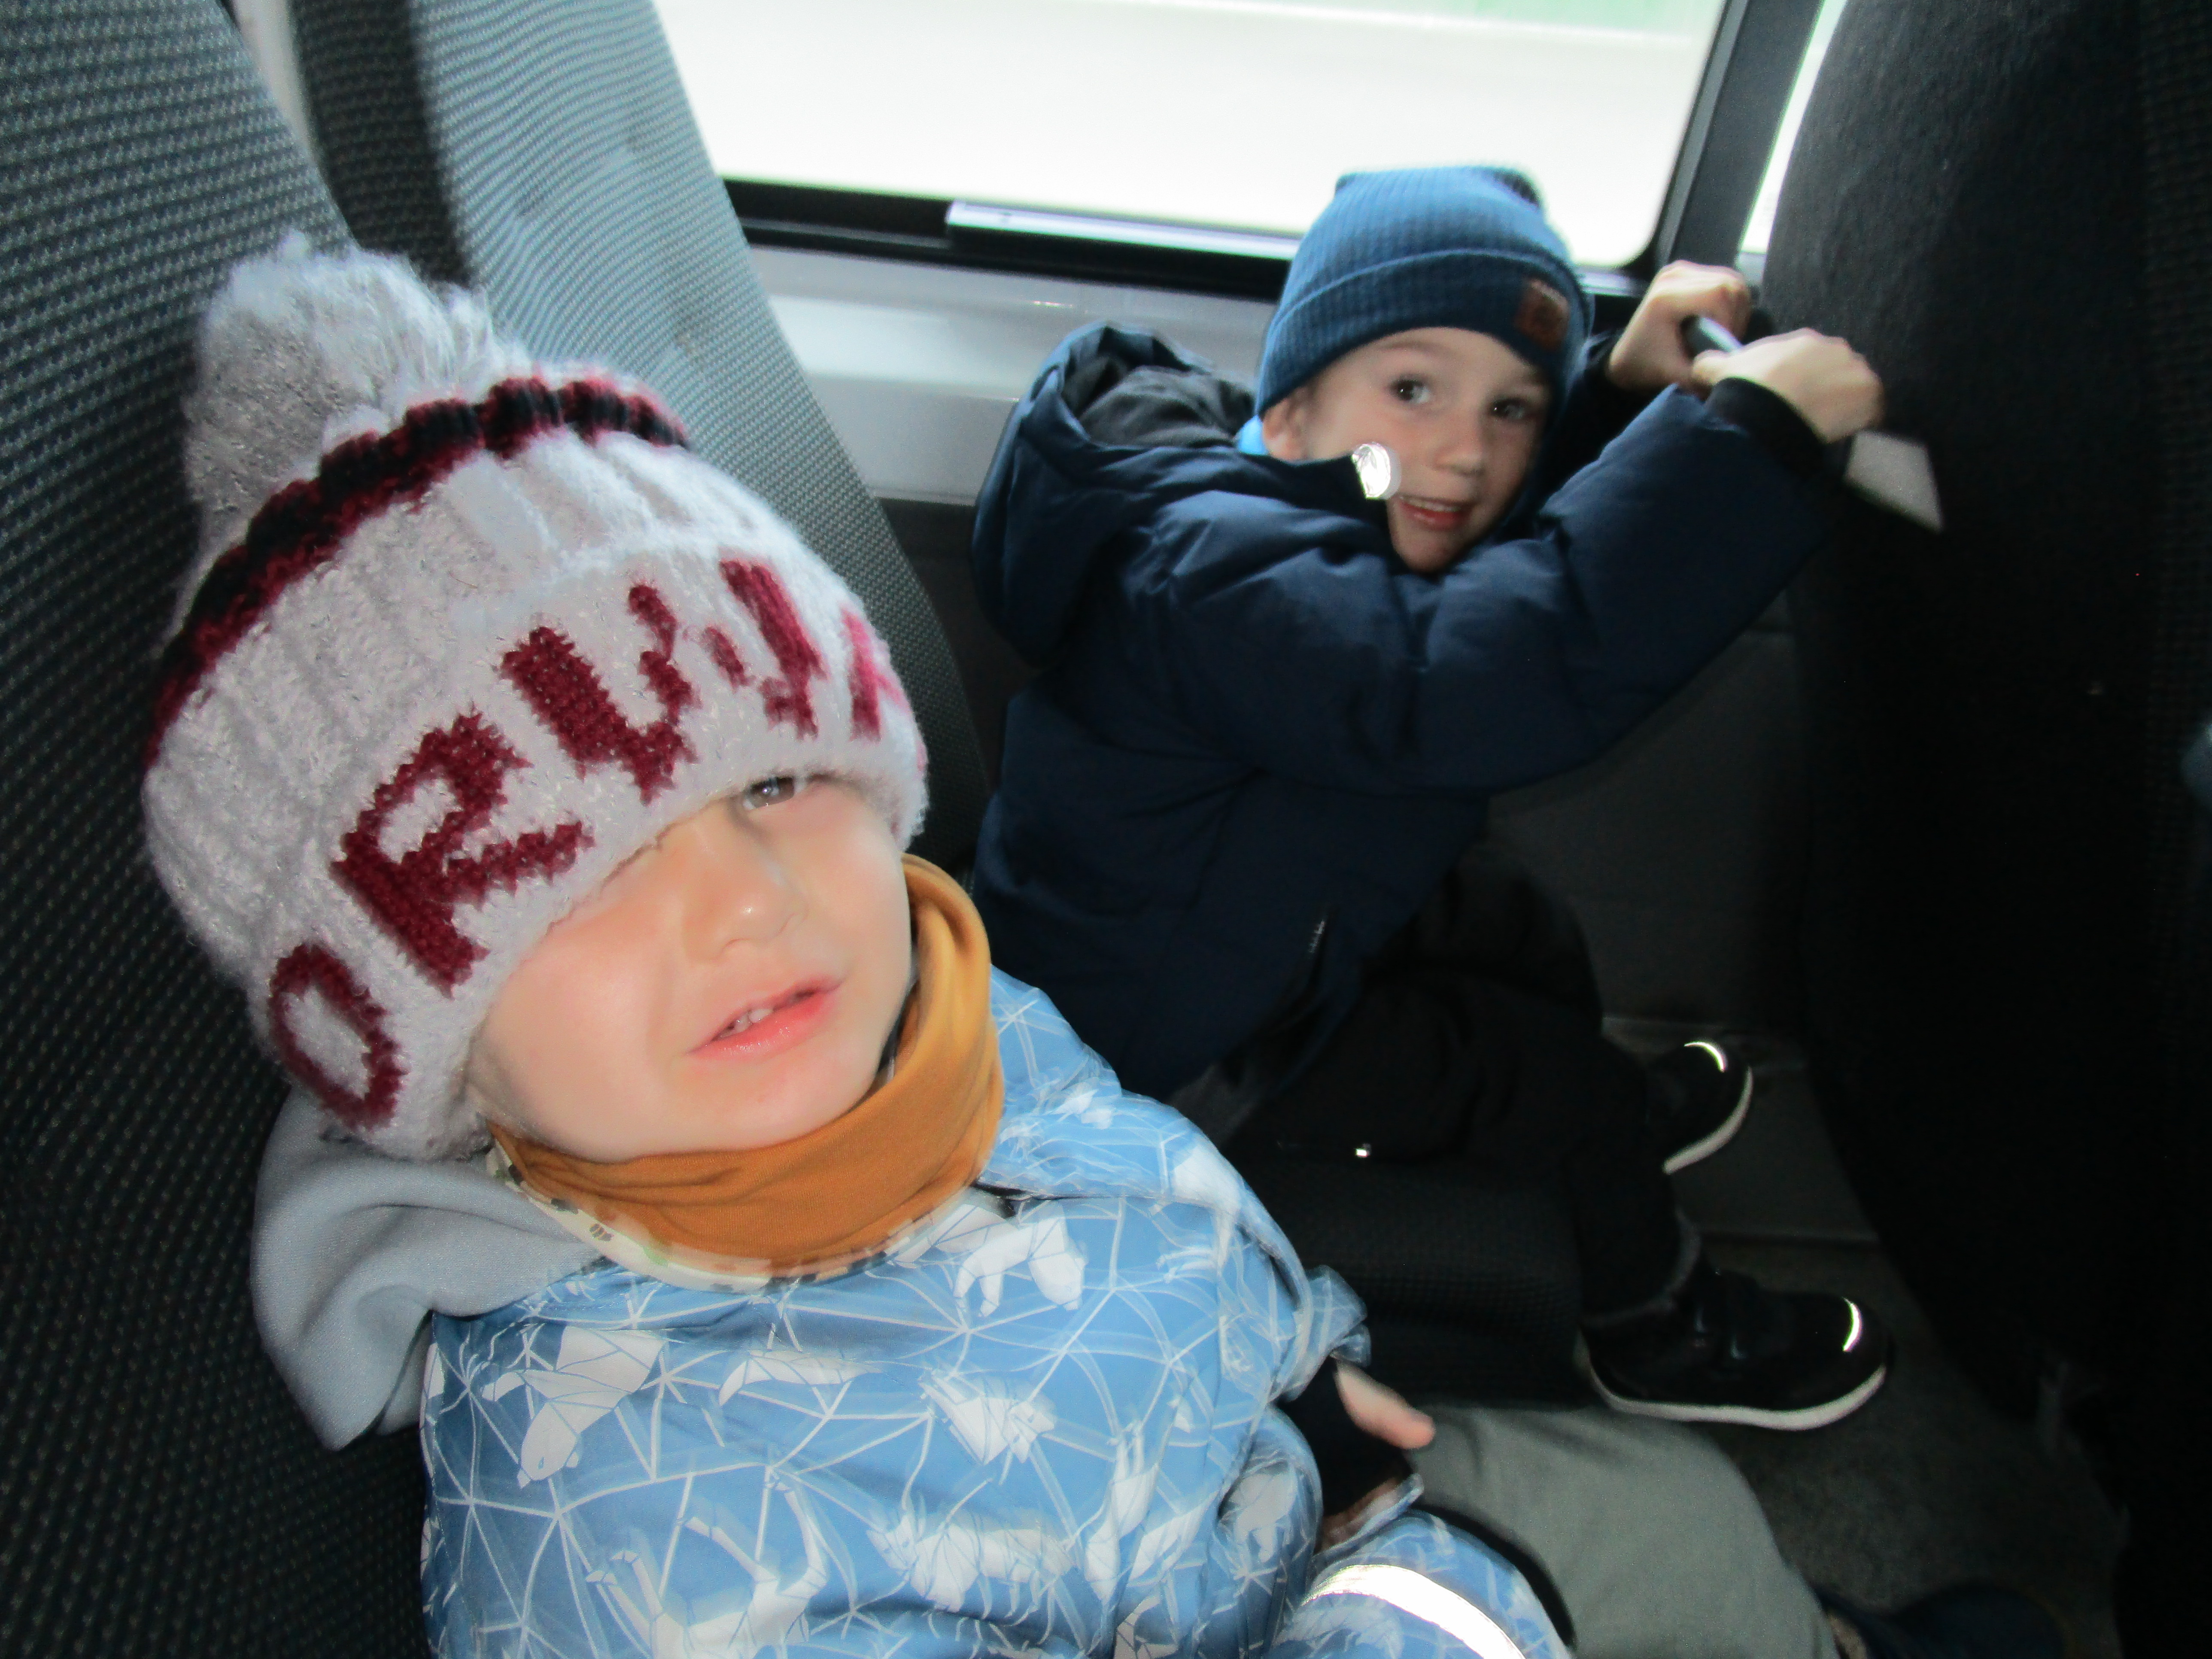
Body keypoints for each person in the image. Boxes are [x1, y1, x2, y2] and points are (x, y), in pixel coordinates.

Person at [147, 241, 2060, 1659]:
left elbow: (1144, 1198)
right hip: (1352, 1598)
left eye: (776, 779)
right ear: (423, 1029)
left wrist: (1300, 1385)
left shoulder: (923, 1004)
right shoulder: (640, 1555)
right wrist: (1416, 1584)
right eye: (580, 874)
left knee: (1690, 1519)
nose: (742, 901)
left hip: (1258, 1479)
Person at [970, 165, 1888, 1429]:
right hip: (1160, 1059)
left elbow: (1479, 544)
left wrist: (1616, 398)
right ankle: (1655, 1322)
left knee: (1511, 921)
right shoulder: (1220, 581)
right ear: (1292, 402)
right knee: (1539, 1082)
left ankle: (1614, 1128)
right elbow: (1477, 667)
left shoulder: (1302, 486)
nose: (1467, 446)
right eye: (1414, 389)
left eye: (1513, 408)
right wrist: (1749, 447)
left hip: (1237, 928)